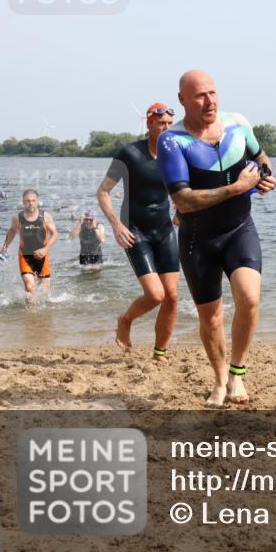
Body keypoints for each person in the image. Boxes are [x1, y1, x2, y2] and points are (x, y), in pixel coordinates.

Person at [157, 70, 276, 405]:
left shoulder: (238, 123)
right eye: (199, 95)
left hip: (239, 229)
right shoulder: (172, 141)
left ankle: (237, 374)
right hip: (198, 240)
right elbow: (182, 200)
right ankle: (220, 379)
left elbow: (260, 157)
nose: (208, 101)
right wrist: (237, 188)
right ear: (182, 100)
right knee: (210, 317)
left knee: (249, 299)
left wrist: (266, 177)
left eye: (212, 92)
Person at [98, 103, 181, 361]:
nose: (166, 128)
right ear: (149, 124)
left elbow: (179, 188)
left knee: (172, 297)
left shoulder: (175, 152)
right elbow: (103, 192)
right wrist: (116, 224)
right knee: (156, 295)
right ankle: (125, 319)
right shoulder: (130, 153)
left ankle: (160, 352)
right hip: (135, 231)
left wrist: (181, 209)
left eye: (169, 124)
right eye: (161, 124)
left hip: (165, 230)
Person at [0, 189, 57, 302]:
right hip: (25, 256)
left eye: (33, 200)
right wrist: (5, 247)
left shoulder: (45, 216)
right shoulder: (17, 218)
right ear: (23, 201)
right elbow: (12, 231)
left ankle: (41, 316)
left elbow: (54, 234)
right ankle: (30, 316)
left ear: (37, 201)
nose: (30, 203)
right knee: (30, 287)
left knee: (44, 291)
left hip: (42, 256)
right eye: (27, 201)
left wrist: (46, 249)